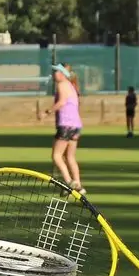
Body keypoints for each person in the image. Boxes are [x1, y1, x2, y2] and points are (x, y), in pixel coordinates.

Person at [49, 62, 84, 192]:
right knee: (70, 157)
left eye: (56, 72)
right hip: (75, 125)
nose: (54, 74)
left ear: (63, 74)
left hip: (66, 125)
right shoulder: (71, 86)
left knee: (56, 156)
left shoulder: (62, 84)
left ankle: (69, 182)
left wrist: (47, 111)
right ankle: (79, 186)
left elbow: (62, 102)